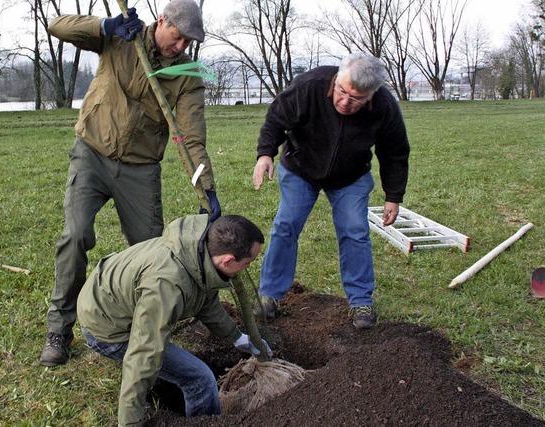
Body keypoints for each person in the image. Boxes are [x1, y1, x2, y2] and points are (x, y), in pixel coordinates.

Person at [40, 0, 222, 366]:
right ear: (162, 21)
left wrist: (208, 190)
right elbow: (57, 26)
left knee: (155, 251)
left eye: (189, 42)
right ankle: (59, 328)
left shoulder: (188, 74)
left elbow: (191, 137)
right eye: (178, 36)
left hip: (140, 169)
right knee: (75, 236)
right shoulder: (123, 38)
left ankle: (146, 327)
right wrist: (105, 27)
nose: (182, 46)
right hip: (92, 153)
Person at [252, 52, 410, 329]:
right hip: (301, 168)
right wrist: (265, 154)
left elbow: (394, 152)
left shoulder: (384, 106)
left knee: (354, 229)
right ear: (337, 78)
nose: (345, 102)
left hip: (350, 176)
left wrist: (393, 196)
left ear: (371, 95)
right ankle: (270, 295)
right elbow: (277, 118)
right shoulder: (309, 86)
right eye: (341, 91)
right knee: (286, 224)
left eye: (356, 98)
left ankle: (360, 300)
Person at [77, 214, 271, 426]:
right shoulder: (166, 286)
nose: (249, 267)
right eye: (248, 262)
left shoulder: (197, 250)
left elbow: (205, 301)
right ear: (228, 260)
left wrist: (236, 337)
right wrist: (130, 422)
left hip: (109, 296)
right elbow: (144, 351)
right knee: (200, 379)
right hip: (107, 327)